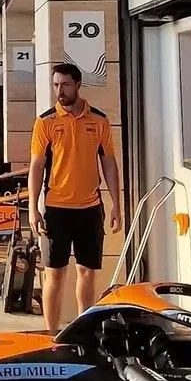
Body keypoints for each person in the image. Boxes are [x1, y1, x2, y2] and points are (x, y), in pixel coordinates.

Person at [28, 62, 122, 336]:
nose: (60, 90)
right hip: (56, 209)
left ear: (78, 85)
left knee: (87, 272)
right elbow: (36, 166)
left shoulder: (99, 120)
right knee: (54, 273)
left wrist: (116, 204)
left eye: (66, 85)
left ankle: (84, 334)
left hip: (90, 208)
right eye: (56, 85)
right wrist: (33, 208)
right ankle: (51, 334)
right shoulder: (45, 122)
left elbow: (109, 163)